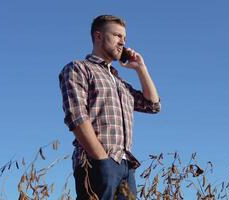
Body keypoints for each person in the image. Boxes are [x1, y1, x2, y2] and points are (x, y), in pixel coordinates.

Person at [59, 15, 161, 200]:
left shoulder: (119, 82)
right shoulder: (79, 69)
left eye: (124, 38)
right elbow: (76, 116)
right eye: (117, 35)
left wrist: (141, 68)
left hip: (125, 167)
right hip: (95, 161)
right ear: (98, 36)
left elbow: (152, 105)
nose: (122, 42)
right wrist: (100, 157)